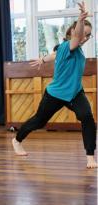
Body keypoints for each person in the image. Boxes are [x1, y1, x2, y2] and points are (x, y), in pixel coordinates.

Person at [12, 1, 97, 168]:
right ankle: (16, 140)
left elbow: (54, 54)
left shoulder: (71, 49)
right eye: (82, 34)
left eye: (88, 35)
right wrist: (80, 20)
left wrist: (43, 59)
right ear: (73, 32)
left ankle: (90, 157)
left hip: (75, 93)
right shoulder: (69, 45)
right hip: (55, 93)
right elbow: (74, 39)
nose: (84, 38)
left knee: (87, 117)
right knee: (39, 121)